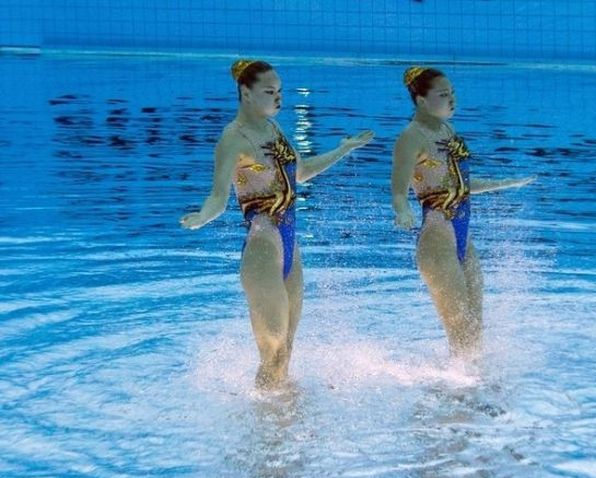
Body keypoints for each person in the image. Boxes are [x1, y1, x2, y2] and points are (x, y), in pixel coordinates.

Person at [180, 59, 373, 388]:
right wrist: (202, 217)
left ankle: (280, 420)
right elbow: (218, 196)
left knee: (286, 351)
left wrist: (343, 149)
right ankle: (262, 426)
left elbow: (300, 172)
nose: (278, 98)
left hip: (289, 246)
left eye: (280, 91)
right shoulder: (233, 139)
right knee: (272, 348)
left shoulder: (273, 129)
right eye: (270, 91)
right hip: (262, 247)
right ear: (246, 93)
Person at [392, 66, 535, 356]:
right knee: (459, 331)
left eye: (453, 93)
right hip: (436, 239)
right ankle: (456, 395)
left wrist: (503, 183)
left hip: (462, 238)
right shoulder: (411, 137)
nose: (452, 99)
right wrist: (403, 210)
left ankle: (474, 391)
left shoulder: (446, 129)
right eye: (443, 94)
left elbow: (456, 184)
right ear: (421, 100)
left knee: (474, 330)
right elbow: (398, 188)